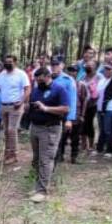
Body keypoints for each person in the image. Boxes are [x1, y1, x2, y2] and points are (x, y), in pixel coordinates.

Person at [28, 68, 70, 202]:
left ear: (48, 76)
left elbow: (65, 109)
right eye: (36, 79)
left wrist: (46, 108)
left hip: (50, 128)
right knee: (36, 158)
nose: (38, 82)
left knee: (45, 159)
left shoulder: (59, 89)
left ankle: (42, 191)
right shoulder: (36, 89)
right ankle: (38, 185)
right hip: (35, 127)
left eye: (40, 79)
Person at [0, 54, 31, 165]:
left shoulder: (21, 74)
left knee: (12, 130)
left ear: (15, 62)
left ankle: (14, 154)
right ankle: (7, 153)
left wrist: (21, 102)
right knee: (6, 131)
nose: (8, 63)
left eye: (10, 61)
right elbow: (0, 89)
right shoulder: (2, 74)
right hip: (4, 105)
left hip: (16, 105)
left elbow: (27, 89)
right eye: (6, 61)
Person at [58, 65, 87, 164]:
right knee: (62, 136)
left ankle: (74, 157)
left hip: (77, 114)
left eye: (74, 71)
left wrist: (82, 115)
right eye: (70, 70)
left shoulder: (81, 85)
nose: (71, 73)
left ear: (77, 72)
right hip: (64, 113)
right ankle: (59, 155)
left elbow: (84, 100)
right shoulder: (63, 83)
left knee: (75, 137)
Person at [51, 57, 77, 158]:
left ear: (62, 65)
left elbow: (73, 100)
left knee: (60, 138)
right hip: (49, 113)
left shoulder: (68, 80)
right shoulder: (47, 77)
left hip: (62, 113)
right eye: (52, 64)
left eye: (57, 64)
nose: (54, 67)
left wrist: (70, 119)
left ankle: (57, 158)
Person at [80, 62, 100, 153]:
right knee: (82, 124)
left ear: (95, 67)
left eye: (91, 65)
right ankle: (83, 144)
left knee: (90, 124)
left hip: (93, 104)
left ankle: (91, 145)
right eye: (87, 65)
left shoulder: (99, 77)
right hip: (83, 104)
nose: (88, 66)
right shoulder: (83, 76)